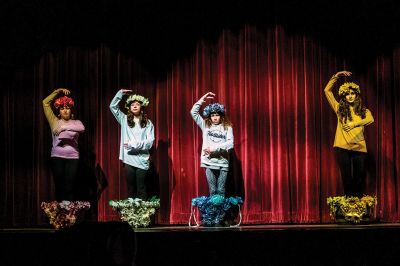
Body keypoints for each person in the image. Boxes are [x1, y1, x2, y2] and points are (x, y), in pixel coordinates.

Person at [324, 71, 374, 197]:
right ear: (344, 96)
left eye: (352, 94)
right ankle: (348, 207)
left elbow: (370, 119)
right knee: (347, 178)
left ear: (356, 95)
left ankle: (358, 207)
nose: (350, 96)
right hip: (342, 147)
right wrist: (337, 76)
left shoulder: (363, 110)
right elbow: (327, 91)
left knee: (359, 178)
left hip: (359, 147)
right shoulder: (339, 109)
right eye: (347, 94)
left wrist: (354, 124)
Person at [110, 89, 154, 200]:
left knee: (141, 188)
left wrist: (134, 144)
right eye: (132, 104)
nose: (134, 106)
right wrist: (120, 93)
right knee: (131, 189)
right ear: (129, 107)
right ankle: (132, 215)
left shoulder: (148, 123)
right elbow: (112, 107)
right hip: (128, 159)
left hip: (142, 160)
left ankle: (142, 215)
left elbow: (150, 142)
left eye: (137, 104)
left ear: (141, 107)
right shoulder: (124, 119)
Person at [43, 88, 85, 201]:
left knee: (70, 187)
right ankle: (60, 215)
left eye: (68, 108)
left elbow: (82, 128)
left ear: (71, 111)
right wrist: (58, 91)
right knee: (59, 187)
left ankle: (69, 214)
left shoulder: (77, 122)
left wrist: (64, 127)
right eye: (62, 108)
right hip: (57, 157)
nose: (65, 110)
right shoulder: (54, 121)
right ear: (59, 111)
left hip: (73, 157)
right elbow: (45, 103)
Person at [191, 92, 234, 197]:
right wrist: (202, 100)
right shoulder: (205, 125)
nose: (215, 117)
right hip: (208, 161)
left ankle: (222, 213)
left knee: (221, 190)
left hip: (223, 162)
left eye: (217, 115)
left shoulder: (227, 127)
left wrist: (214, 149)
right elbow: (193, 112)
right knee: (213, 190)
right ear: (209, 116)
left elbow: (230, 143)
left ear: (221, 116)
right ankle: (213, 213)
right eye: (212, 115)